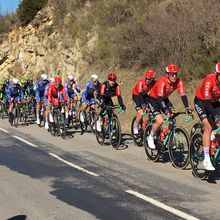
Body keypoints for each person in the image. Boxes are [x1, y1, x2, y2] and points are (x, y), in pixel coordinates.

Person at [147, 64, 193, 149]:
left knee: (173, 117)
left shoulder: (178, 81)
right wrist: (166, 110)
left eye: (176, 74)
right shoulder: (162, 81)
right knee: (160, 120)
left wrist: (187, 108)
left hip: (164, 99)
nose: (174, 76)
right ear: (167, 75)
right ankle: (150, 136)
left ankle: (167, 138)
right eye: (172, 74)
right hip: (154, 99)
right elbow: (159, 99)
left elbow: (183, 95)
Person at [194, 63, 220, 170]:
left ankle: (215, 147)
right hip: (202, 101)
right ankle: (206, 158)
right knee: (209, 127)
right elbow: (207, 102)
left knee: (218, 126)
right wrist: (215, 116)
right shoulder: (209, 80)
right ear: (217, 74)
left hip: (214, 102)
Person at [132, 69, 156, 134]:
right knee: (141, 113)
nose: (147, 80)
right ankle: (135, 126)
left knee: (152, 111)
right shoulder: (141, 82)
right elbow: (140, 95)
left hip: (145, 95)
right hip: (136, 96)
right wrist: (144, 105)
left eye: (150, 79)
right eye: (147, 79)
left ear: (153, 79)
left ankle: (147, 124)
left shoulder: (154, 83)